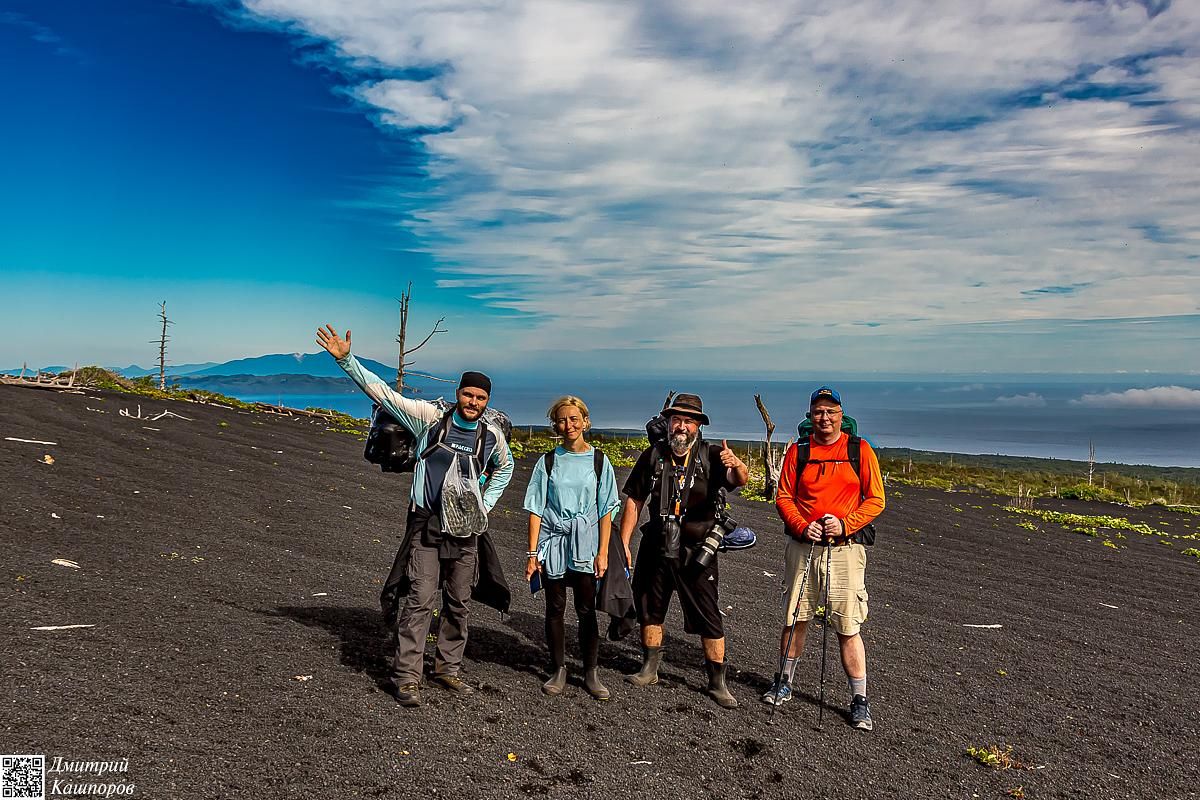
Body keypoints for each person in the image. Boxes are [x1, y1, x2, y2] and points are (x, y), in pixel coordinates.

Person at [315, 324, 514, 708]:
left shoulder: (492, 436)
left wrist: (485, 505)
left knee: (458, 602)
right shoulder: (429, 419)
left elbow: (505, 468)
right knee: (420, 599)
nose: (473, 402)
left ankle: (447, 669)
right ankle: (407, 676)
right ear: (458, 394)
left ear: (487, 401)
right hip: (427, 526)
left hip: (466, 531)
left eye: (480, 397)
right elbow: (383, 394)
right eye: (468, 394)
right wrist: (346, 360)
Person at [765, 386, 885, 731]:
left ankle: (860, 701)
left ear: (841, 415)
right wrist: (803, 526)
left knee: (848, 625)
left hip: (845, 550)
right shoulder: (799, 451)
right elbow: (784, 497)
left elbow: (876, 499)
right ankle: (783, 682)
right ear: (811, 416)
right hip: (803, 546)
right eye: (818, 411)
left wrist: (845, 524)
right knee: (795, 617)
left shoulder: (860, 450)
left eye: (831, 411)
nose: (825, 418)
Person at [618, 393, 749, 708]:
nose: (681, 426)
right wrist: (623, 543)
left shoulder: (711, 455)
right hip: (656, 545)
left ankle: (717, 681)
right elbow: (635, 500)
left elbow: (738, 480)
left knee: (708, 615)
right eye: (676, 419)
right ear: (668, 423)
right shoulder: (653, 455)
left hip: (698, 550)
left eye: (688, 421)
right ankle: (649, 668)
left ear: (698, 425)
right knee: (650, 608)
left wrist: (738, 465)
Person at [523, 396, 620, 700]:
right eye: (562, 420)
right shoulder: (547, 462)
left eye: (574, 419)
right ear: (556, 425)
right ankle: (558, 669)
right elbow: (535, 509)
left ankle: (591, 672)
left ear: (585, 422)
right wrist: (532, 554)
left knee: (586, 609)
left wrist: (603, 553)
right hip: (554, 541)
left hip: (585, 544)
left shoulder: (600, 461)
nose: (568, 425)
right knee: (554, 608)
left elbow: (606, 510)